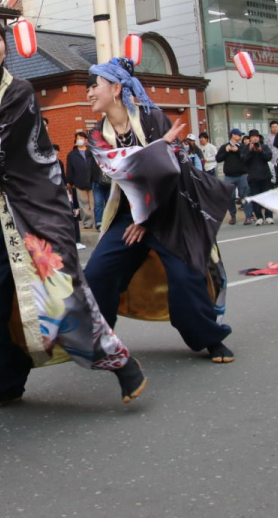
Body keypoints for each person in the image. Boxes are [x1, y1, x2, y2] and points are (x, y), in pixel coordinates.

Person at [0, 14, 146, 413]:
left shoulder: (19, 92)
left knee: (61, 299)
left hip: (32, 213)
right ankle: (7, 380)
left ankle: (121, 363)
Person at [79, 56, 236, 364]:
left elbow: (171, 172)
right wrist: (156, 152)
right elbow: (124, 172)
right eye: (88, 88)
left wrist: (147, 214)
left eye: (94, 86)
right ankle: (101, 341)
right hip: (128, 215)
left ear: (115, 88)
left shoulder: (152, 118)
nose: (89, 93)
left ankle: (210, 338)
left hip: (170, 211)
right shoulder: (98, 135)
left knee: (186, 276)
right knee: (96, 273)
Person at [216, 129, 254, 225]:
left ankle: (248, 216)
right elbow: (218, 159)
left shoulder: (242, 147)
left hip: (242, 175)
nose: (240, 137)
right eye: (239, 135)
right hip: (229, 176)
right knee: (230, 196)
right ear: (233, 135)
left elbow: (247, 157)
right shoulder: (225, 146)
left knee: (244, 195)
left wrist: (237, 151)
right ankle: (233, 216)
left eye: (241, 135)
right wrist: (226, 151)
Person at [65, 130, 99, 228]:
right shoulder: (72, 154)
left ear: (86, 140)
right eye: (78, 138)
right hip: (79, 182)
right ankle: (87, 223)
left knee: (95, 203)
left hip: (93, 181)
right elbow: (69, 169)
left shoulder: (92, 152)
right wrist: (69, 182)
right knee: (83, 204)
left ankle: (97, 222)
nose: (79, 140)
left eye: (81, 138)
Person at [242, 130, 274, 225]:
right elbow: (243, 159)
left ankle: (269, 216)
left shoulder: (264, 146)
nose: (255, 138)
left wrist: (261, 151)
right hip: (253, 177)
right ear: (250, 139)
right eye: (253, 137)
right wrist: (250, 150)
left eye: (257, 136)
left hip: (265, 176)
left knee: (268, 197)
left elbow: (269, 157)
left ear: (259, 138)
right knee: (255, 198)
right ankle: (259, 217)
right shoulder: (246, 148)